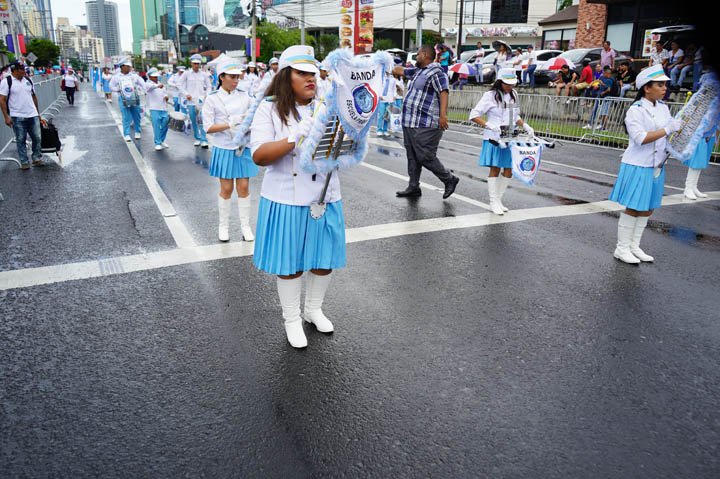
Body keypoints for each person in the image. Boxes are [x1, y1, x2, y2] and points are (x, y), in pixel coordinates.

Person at [250, 45, 342, 349]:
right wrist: (295, 136)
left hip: (325, 194)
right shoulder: (269, 109)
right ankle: (291, 318)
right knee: (289, 263)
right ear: (286, 76)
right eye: (302, 73)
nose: (310, 78)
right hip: (285, 197)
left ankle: (313, 309)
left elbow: (343, 146)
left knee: (323, 258)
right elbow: (260, 155)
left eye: (312, 73)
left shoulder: (328, 105)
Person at [608, 65, 681, 264]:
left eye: (665, 85)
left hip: (657, 164)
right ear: (647, 88)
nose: (664, 88)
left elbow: (670, 131)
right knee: (634, 206)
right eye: (660, 85)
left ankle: (634, 246)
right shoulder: (636, 110)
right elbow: (640, 138)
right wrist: (668, 129)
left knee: (648, 207)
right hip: (638, 164)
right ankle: (622, 248)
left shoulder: (663, 107)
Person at [392, 43, 459, 199]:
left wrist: (443, 116)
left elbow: (444, 92)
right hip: (410, 122)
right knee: (412, 156)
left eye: (419, 54)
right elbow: (400, 70)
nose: (416, 57)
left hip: (427, 123)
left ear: (426, 55)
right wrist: (388, 66)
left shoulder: (437, 72)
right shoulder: (418, 71)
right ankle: (413, 186)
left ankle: (449, 179)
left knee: (425, 156)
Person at [204, 59, 258, 243]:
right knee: (226, 189)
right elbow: (208, 127)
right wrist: (230, 123)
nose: (236, 80)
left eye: (237, 77)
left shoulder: (245, 96)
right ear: (221, 77)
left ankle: (246, 227)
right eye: (232, 77)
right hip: (224, 147)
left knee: (243, 187)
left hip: (243, 146)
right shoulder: (212, 98)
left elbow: (255, 113)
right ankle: (223, 226)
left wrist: (247, 122)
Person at [469, 68, 535, 215]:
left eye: (512, 84)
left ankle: (498, 199)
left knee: (509, 170)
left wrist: (525, 125)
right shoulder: (490, 95)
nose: (510, 87)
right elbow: (473, 115)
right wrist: (489, 125)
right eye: (507, 84)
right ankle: (493, 201)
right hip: (494, 137)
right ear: (500, 81)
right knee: (495, 168)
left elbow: (515, 116)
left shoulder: (514, 94)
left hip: (510, 137)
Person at [0, 61, 47, 169]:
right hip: (17, 116)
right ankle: (24, 162)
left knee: (37, 137)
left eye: (24, 69)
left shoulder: (28, 80)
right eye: (21, 69)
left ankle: (36, 158)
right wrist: (6, 116)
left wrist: (38, 113)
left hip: (32, 114)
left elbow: (34, 96)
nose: (24, 71)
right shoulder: (6, 82)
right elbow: (2, 99)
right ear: (14, 70)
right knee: (21, 139)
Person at [178, 54, 211, 148]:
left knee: (202, 121)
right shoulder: (186, 74)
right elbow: (179, 84)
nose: (196, 65)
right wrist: (186, 94)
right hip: (191, 101)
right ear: (191, 64)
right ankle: (197, 138)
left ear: (200, 64)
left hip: (201, 102)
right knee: (193, 120)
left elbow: (209, 86)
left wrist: (207, 95)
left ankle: (204, 140)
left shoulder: (204, 74)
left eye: (198, 63)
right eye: (194, 63)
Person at [109, 59, 145, 142]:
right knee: (126, 116)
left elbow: (142, 82)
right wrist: (118, 89)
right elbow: (111, 86)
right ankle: (127, 134)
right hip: (123, 99)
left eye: (129, 66)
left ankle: (137, 131)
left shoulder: (134, 76)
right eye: (127, 66)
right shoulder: (116, 77)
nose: (129, 68)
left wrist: (144, 89)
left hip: (134, 98)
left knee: (137, 115)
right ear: (122, 67)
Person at [144, 68, 170, 151]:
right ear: (149, 77)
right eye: (154, 76)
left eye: (156, 76)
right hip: (154, 108)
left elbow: (164, 93)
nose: (156, 78)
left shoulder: (160, 83)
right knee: (156, 126)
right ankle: (157, 143)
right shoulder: (147, 84)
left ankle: (161, 140)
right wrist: (158, 86)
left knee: (165, 124)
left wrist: (166, 97)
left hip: (163, 108)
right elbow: (150, 88)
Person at [584, 66, 617, 130]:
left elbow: (609, 89)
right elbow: (598, 82)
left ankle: (603, 126)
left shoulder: (610, 80)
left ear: (608, 74)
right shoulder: (602, 77)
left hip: (606, 98)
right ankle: (590, 124)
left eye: (604, 73)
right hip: (599, 97)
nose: (603, 74)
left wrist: (603, 91)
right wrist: (597, 85)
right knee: (595, 110)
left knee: (604, 112)